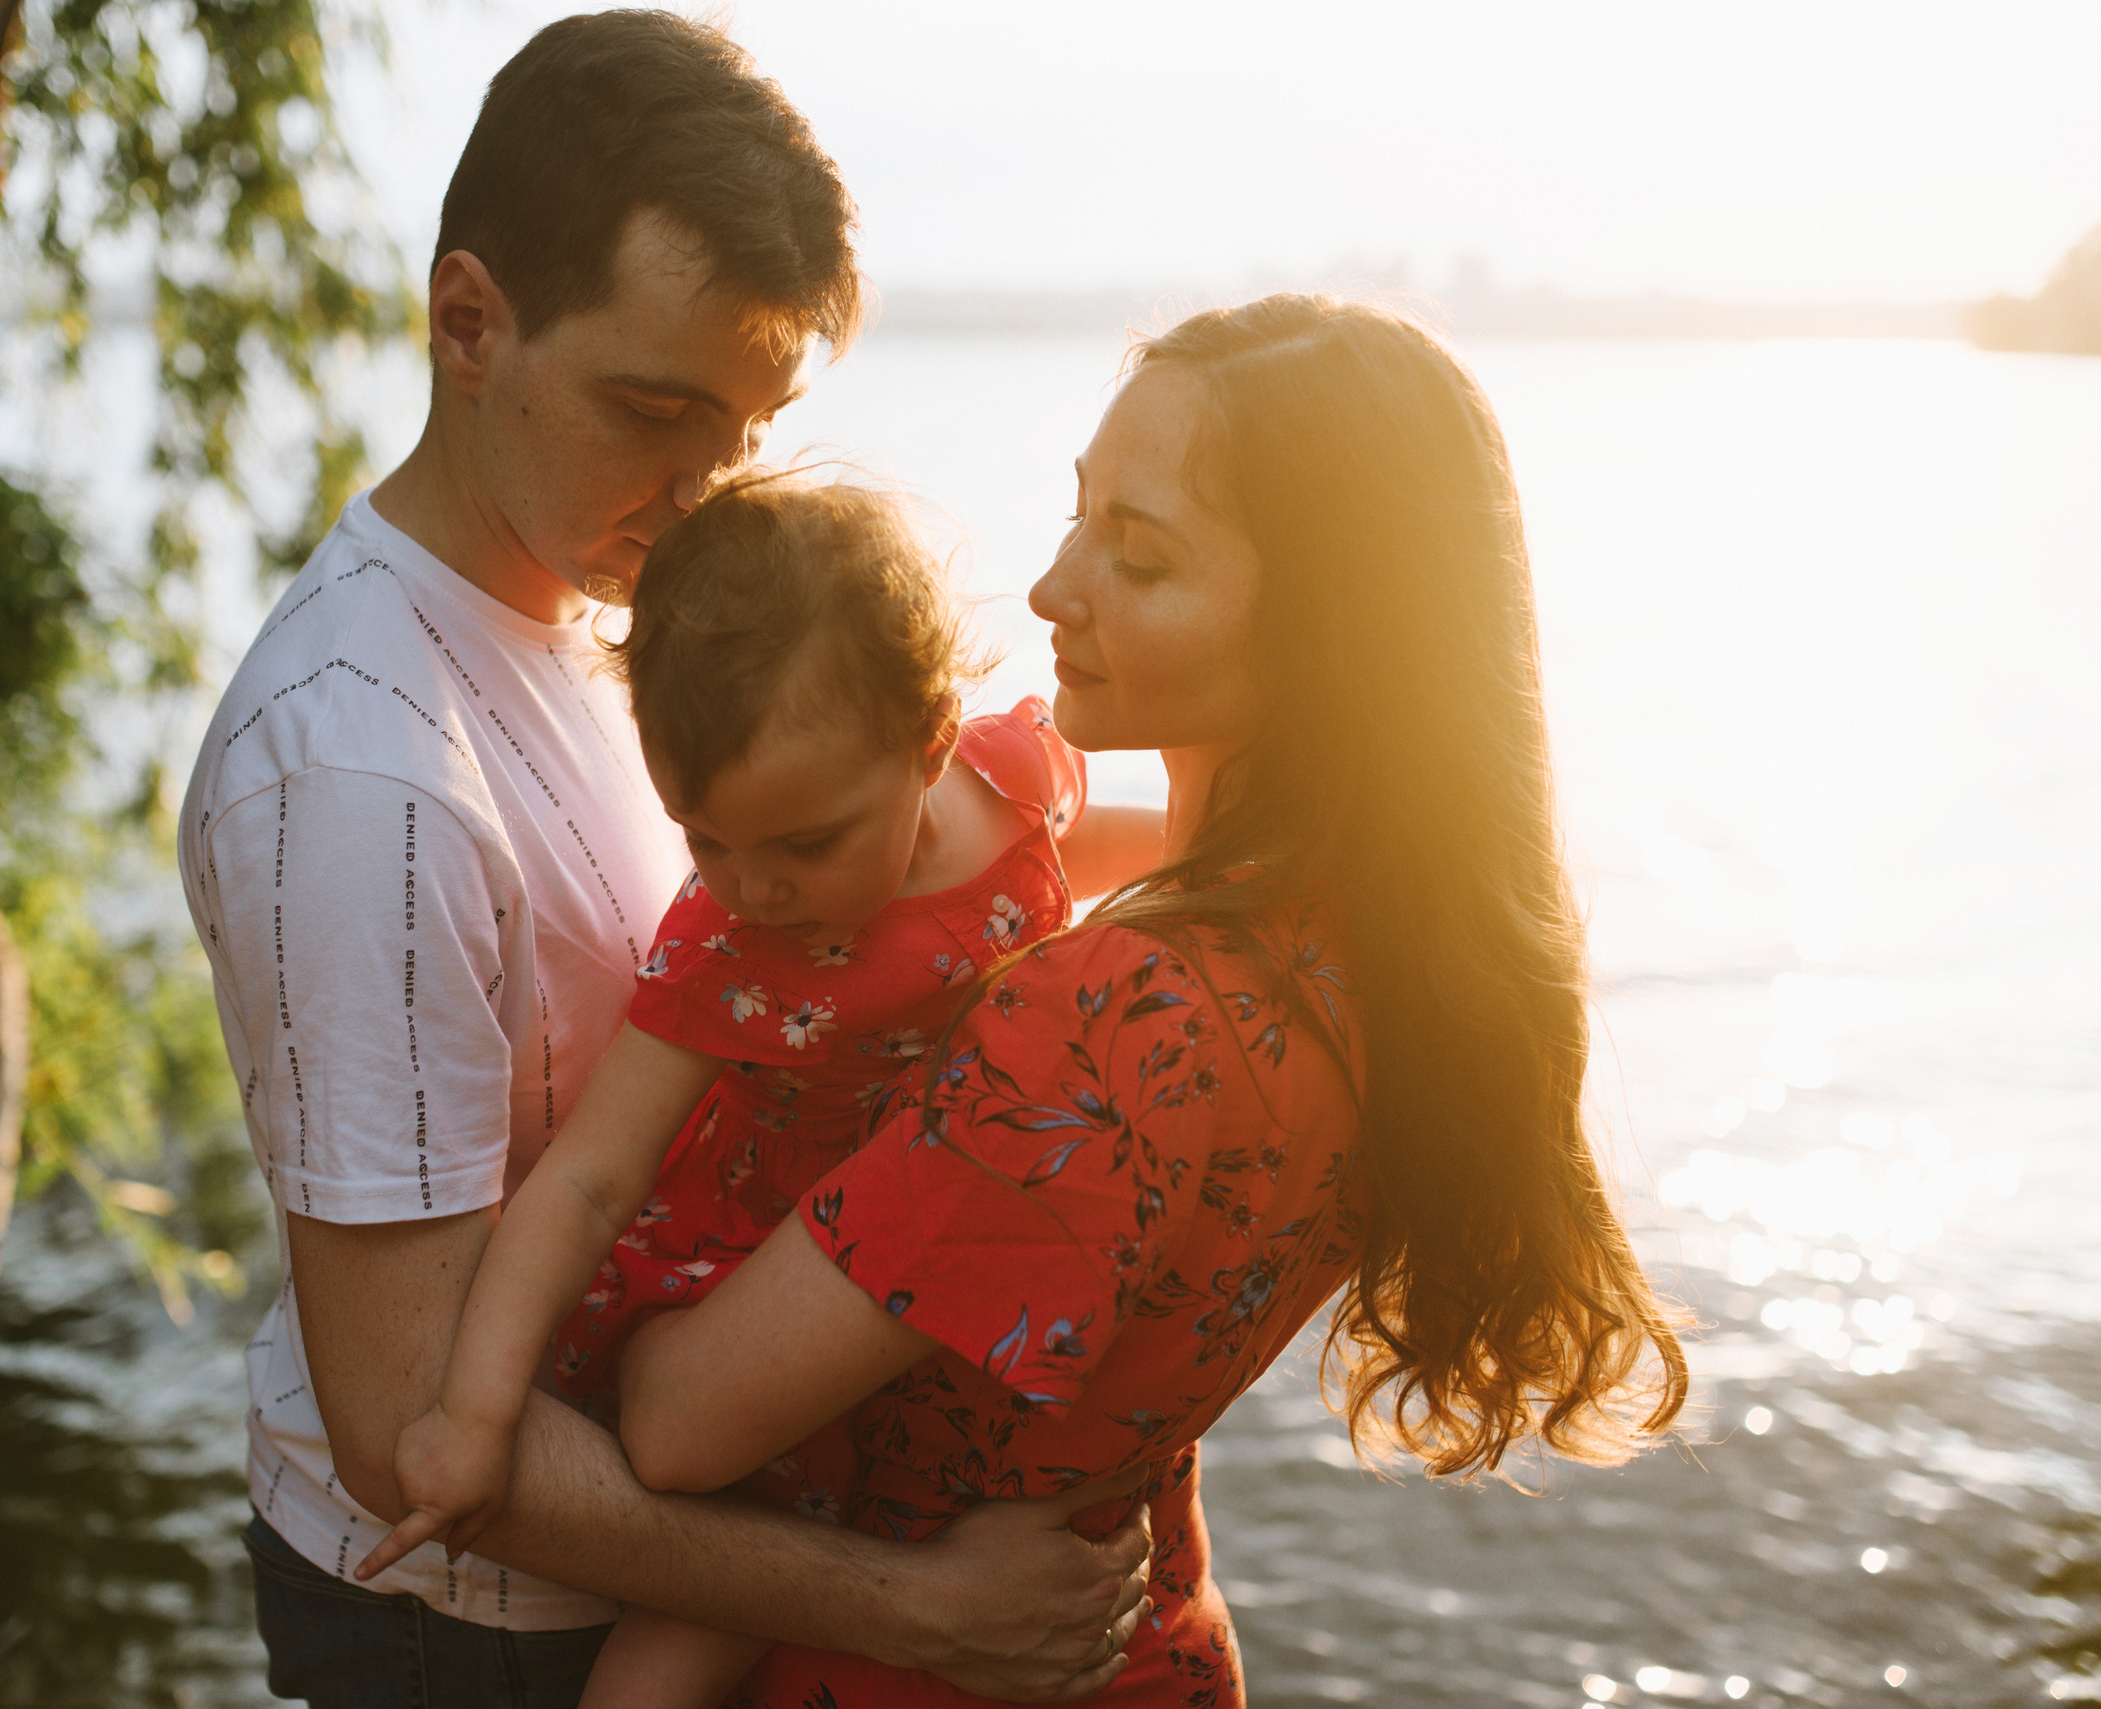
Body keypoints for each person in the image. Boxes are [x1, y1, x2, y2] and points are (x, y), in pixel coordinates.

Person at [177, 14, 1148, 1706]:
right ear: (469, 322)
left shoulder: (603, 600)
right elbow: (412, 1412)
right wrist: (909, 1603)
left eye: (752, 425)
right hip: (476, 1636)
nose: (709, 496)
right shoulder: (361, 773)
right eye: (655, 408)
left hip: (665, 1549)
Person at [589, 295, 1693, 1705]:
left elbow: (678, 1428)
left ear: (1326, 640)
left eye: (1142, 556)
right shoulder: (1391, 960)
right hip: (1146, 1644)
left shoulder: (1109, 1015)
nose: (1055, 588)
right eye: (1080, 514)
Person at [347, 476, 1170, 1707]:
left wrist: (1231, 866)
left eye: (805, 843)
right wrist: (474, 1413)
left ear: (929, 739)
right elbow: (586, 1178)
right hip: (761, 1283)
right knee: (685, 1648)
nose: (754, 888)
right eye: (704, 838)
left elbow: (1077, 843)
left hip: (931, 1263)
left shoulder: (1008, 783)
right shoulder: (725, 950)